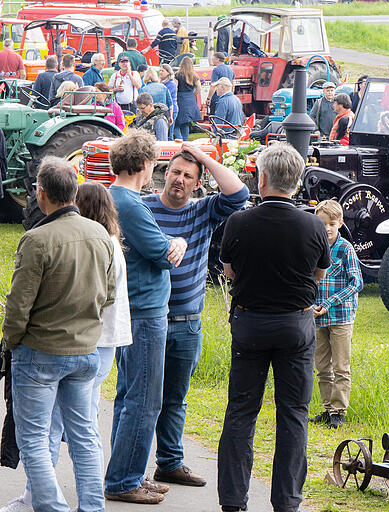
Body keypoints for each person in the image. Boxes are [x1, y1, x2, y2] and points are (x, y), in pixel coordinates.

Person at [0, 179, 135, 512]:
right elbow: (109, 295)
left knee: (34, 438)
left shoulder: (37, 238)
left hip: (42, 351)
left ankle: (50, 506)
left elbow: (18, 307)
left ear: (42, 194)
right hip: (86, 351)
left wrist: (11, 343)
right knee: (85, 435)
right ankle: (91, 507)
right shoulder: (102, 238)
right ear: (72, 194)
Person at [217, 142, 330, 512]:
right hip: (295, 325)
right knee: (294, 415)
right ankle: (287, 503)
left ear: (261, 179)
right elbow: (319, 273)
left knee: (241, 413)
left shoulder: (239, 222)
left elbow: (229, 270)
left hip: (250, 323)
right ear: (296, 183)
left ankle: (233, 502)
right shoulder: (314, 225)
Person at [142, 144, 248, 488]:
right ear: (165, 173)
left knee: (175, 398)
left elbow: (239, 194)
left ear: (197, 182)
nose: (180, 180)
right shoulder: (143, 208)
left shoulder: (203, 211)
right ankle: (131, 468)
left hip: (187, 324)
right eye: (175, 172)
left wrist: (203, 157)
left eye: (189, 176)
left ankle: (170, 463)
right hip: (146, 321)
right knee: (141, 401)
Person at [104, 130, 187, 505]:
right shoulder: (132, 204)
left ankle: (127, 471)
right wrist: (179, 242)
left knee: (128, 395)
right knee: (145, 399)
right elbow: (162, 253)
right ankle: (123, 479)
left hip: (130, 307)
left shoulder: (111, 195)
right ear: (143, 165)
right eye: (153, 162)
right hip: (146, 310)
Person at [309, 200, 363, 429]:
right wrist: (310, 303)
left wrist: (329, 303)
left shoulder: (345, 249)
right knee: (322, 366)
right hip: (317, 315)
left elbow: (356, 282)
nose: (327, 229)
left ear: (340, 223)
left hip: (340, 316)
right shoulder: (313, 247)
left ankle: (339, 411)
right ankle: (328, 409)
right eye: (322, 224)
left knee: (341, 366)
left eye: (331, 224)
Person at [174, 56, 201, 141]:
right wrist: (193, 95)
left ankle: (180, 140)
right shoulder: (194, 76)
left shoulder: (177, 75)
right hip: (190, 99)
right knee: (185, 123)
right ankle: (185, 141)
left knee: (176, 123)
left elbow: (175, 88)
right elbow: (199, 88)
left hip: (180, 99)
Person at [206, 52, 234, 116]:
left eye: (213, 59)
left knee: (215, 118)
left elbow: (213, 86)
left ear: (218, 59)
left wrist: (209, 98)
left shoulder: (216, 70)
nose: (212, 60)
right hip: (228, 98)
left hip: (217, 98)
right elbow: (233, 84)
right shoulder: (230, 69)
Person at [159, 63, 178, 137]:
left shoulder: (171, 84)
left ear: (168, 72)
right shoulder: (161, 83)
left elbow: (166, 96)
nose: (160, 72)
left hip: (171, 109)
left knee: (169, 132)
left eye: (162, 71)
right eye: (160, 70)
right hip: (164, 109)